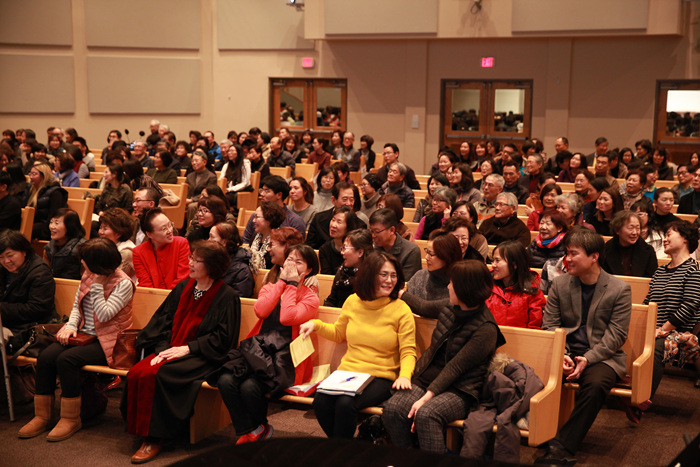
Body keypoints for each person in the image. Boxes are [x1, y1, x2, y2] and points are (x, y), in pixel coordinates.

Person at [123, 241, 240, 464]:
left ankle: (158, 437)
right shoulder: (183, 287)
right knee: (138, 371)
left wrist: (188, 348)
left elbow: (223, 339)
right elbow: (162, 323)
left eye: (196, 260)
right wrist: (162, 349)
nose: (190, 263)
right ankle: (141, 430)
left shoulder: (227, 296)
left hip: (205, 355)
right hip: (171, 349)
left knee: (162, 375)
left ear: (212, 266)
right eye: (191, 258)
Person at [19, 238, 134, 441]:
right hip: (83, 335)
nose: (81, 263)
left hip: (109, 341)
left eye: (85, 260)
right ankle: (42, 416)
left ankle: (70, 418)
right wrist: (70, 326)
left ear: (97, 263)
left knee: (67, 360)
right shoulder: (88, 275)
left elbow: (104, 314)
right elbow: (76, 306)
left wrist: (98, 286)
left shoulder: (124, 283)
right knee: (46, 357)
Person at [383, 260, 503, 454]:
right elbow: (423, 307)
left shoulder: (486, 328)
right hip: (428, 378)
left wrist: (424, 399)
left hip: (461, 389)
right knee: (393, 409)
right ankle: (409, 455)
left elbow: (456, 368)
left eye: (452, 283)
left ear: (464, 289)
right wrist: (399, 293)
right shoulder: (450, 306)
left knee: (427, 414)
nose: (448, 286)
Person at [536, 227, 631, 465]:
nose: (566, 259)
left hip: (602, 355)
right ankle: (534, 431)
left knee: (596, 384)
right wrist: (564, 355)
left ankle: (561, 446)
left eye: (573, 253)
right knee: (531, 372)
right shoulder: (560, 285)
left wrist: (587, 358)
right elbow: (550, 326)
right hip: (565, 350)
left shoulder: (619, 289)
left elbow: (617, 334)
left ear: (594, 256)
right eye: (566, 253)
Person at [300, 251, 417, 438]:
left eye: (393, 275)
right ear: (370, 276)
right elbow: (339, 333)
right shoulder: (353, 301)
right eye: (384, 275)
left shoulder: (400, 309)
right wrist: (316, 325)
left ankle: (342, 454)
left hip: (381, 375)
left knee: (345, 404)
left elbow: (408, 351)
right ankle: (345, 450)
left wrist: (404, 376)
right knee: (321, 401)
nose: (389, 280)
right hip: (349, 372)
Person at [214, 244, 319, 444]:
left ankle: (256, 429)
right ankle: (254, 429)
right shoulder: (270, 287)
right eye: (289, 259)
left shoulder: (310, 297)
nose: (292, 264)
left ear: (308, 270)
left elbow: (287, 318)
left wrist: (291, 285)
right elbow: (261, 311)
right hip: (257, 348)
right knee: (225, 380)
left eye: (298, 262)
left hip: (286, 356)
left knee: (250, 387)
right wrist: (281, 282)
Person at [640, 221, 700, 422]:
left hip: (680, 334)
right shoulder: (660, 271)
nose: (664, 239)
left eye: (669, 234)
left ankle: (642, 398)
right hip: (655, 328)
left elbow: (689, 306)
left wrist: (662, 329)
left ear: (685, 239)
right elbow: (648, 302)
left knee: (657, 345)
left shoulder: (694, 271)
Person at [0, 230, 57, 346]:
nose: (6, 261)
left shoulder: (40, 272)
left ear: (24, 252)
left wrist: (1, 308)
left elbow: (36, 309)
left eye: (10, 256)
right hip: (6, 322)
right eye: (1, 257)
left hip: (28, 327)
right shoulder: (2, 269)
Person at [486, 241, 545, 329]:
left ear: (514, 264)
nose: (493, 265)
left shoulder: (531, 290)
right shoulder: (486, 284)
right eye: (493, 260)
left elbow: (534, 327)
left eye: (497, 260)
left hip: (521, 340)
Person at [132, 208, 190, 289]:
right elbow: (145, 283)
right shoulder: (138, 252)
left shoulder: (181, 243)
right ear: (149, 234)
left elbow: (182, 278)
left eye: (170, 225)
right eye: (164, 229)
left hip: (177, 296)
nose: (170, 230)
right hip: (152, 297)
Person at [406, 230, 462, 300]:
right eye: (427, 252)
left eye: (431, 254)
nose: (426, 257)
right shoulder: (420, 276)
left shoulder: (459, 284)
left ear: (446, 256)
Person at [324, 229, 373, 308]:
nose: (342, 252)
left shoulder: (371, 276)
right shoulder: (342, 271)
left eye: (345, 248)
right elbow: (332, 300)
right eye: (342, 248)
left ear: (360, 252)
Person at [601, 211, 657, 278]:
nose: (635, 232)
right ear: (617, 230)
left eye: (637, 228)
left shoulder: (648, 250)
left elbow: (651, 278)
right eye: (630, 228)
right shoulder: (606, 250)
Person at [369, 208, 422, 281]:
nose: (373, 235)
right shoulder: (373, 248)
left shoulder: (411, 250)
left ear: (391, 230)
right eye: (371, 231)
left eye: (376, 231)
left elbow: (406, 283)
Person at [208, 221, 254, 298]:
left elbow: (237, 302)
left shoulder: (242, 271)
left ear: (224, 242)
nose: (208, 240)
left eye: (212, 237)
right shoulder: (207, 261)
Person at [24, 163, 68, 240]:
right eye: (30, 174)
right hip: (33, 222)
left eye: (34, 174)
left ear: (44, 176)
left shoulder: (55, 192)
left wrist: (42, 234)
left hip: (46, 227)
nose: (31, 177)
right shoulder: (30, 190)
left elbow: (53, 216)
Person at [44, 208, 86, 280]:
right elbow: (45, 274)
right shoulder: (48, 248)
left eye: (56, 223)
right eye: (51, 222)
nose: (52, 227)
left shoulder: (83, 248)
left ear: (70, 226)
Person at [319, 206, 360, 275]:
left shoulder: (356, 249)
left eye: (339, 222)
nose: (333, 225)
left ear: (349, 227)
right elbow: (326, 277)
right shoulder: (325, 249)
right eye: (333, 220)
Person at [98, 207, 136, 280]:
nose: (100, 232)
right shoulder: (105, 247)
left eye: (105, 229)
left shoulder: (126, 252)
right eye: (100, 228)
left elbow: (114, 280)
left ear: (118, 233)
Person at [249, 201, 286, 271]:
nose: (253, 220)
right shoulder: (255, 237)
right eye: (254, 217)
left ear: (269, 219)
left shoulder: (279, 240)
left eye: (257, 217)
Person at [219, 143, 251, 210]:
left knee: (223, 198)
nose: (230, 153)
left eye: (232, 151)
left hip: (240, 191)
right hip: (228, 190)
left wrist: (230, 189)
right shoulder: (227, 165)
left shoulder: (245, 164)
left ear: (238, 153)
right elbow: (221, 178)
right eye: (229, 151)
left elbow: (245, 183)